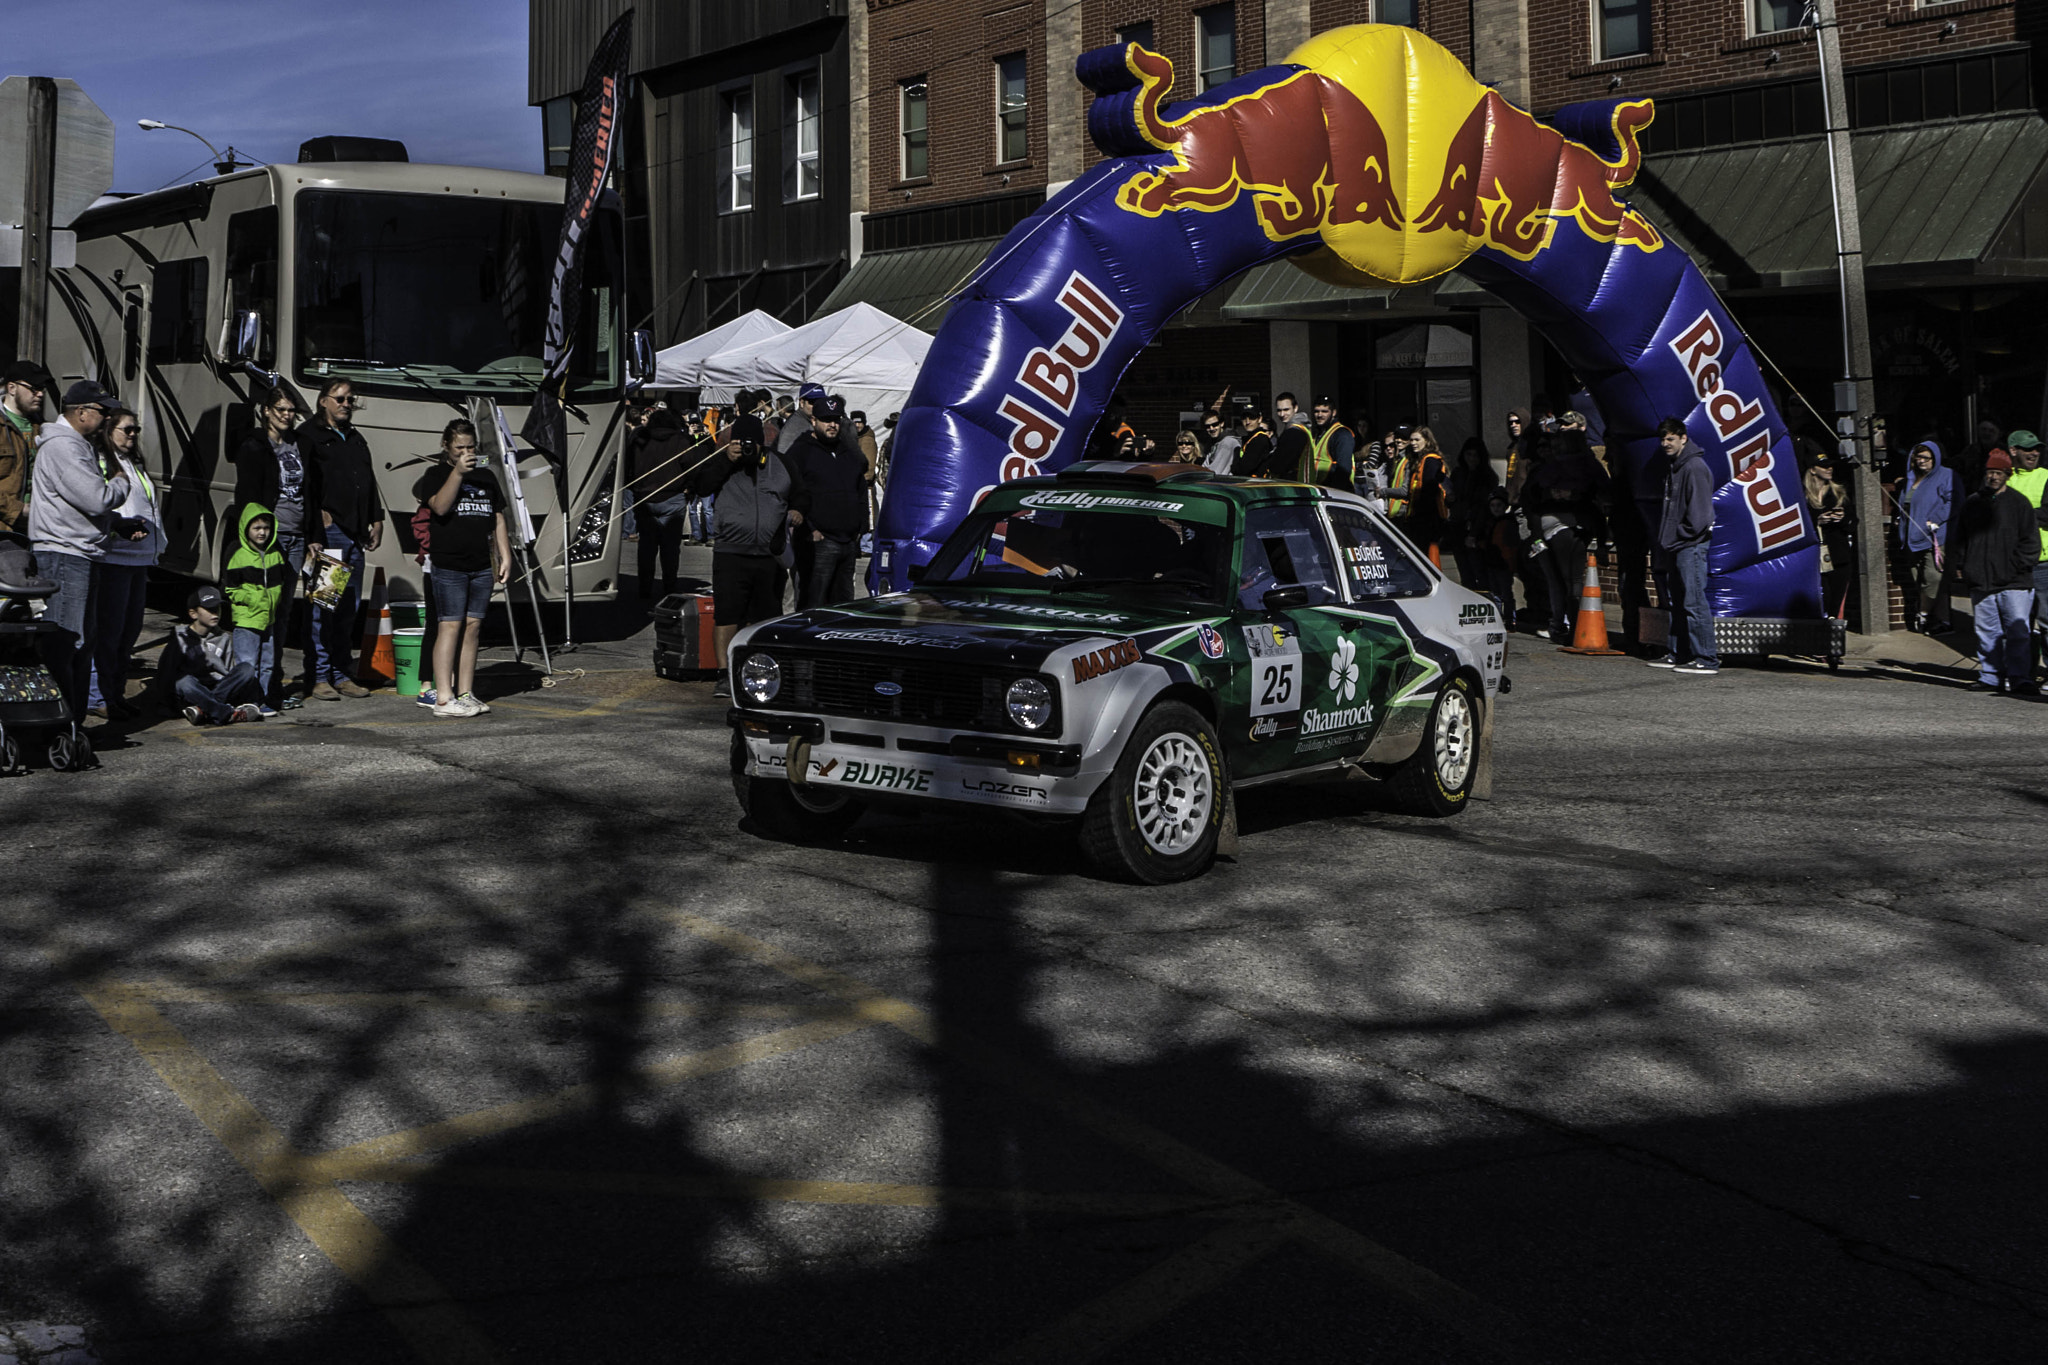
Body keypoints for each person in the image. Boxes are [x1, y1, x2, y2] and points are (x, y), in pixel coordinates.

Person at [28, 380, 131, 721]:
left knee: (82, 642)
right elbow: (95, 498)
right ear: (82, 412)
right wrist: (120, 481)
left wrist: (115, 522)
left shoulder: (75, 445)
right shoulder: (63, 447)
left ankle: (72, 723)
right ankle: (59, 723)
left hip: (79, 553)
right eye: (103, 412)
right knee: (67, 642)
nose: (106, 419)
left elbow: (84, 505)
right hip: (64, 554)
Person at [703, 404, 808, 697]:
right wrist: (727, 459)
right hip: (731, 552)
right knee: (727, 615)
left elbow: (800, 491)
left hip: (769, 555)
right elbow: (701, 485)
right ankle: (724, 674)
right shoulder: (722, 462)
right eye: (741, 442)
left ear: (762, 441)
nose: (747, 448)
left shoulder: (781, 462)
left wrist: (798, 509)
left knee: (765, 615)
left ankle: (761, 671)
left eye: (752, 442)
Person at [413, 418, 511, 718]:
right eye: (459, 448)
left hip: (480, 563)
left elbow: (497, 517)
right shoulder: (436, 473)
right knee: (449, 625)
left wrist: (505, 555)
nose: (465, 452)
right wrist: (457, 472)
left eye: (470, 447)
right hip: (449, 564)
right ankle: (443, 697)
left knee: (473, 627)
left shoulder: (487, 476)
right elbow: (440, 507)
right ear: (446, 446)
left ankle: (466, 692)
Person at [230, 385, 318, 701]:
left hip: (298, 537)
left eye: (291, 410)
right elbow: (247, 497)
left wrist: (314, 537)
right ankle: (254, 684)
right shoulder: (254, 446)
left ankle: (273, 682)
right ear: (266, 411)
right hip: (270, 538)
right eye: (280, 409)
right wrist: (255, 537)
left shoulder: (303, 445)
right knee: (261, 611)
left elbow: (313, 493)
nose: (286, 415)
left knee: (282, 612)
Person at [297, 379, 381, 699]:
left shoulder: (356, 438)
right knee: (323, 607)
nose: (346, 404)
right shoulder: (311, 436)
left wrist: (376, 519)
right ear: (323, 402)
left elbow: (368, 481)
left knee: (348, 609)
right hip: (330, 533)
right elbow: (305, 484)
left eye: (350, 400)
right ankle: (319, 675)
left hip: (355, 534)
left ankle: (342, 673)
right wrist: (317, 520)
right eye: (340, 398)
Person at [88, 405, 163, 719]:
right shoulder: (103, 462)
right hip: (115, 557)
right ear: (109, 430)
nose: (132, 436)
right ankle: (97, 696)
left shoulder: (134, 463)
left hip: (139, 559)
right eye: (126, 430)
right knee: (109, 631)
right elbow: (99, 505)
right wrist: (120, 526)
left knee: (129, 632)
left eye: (136, 430)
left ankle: (115, 694)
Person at [1955, 450, 2040, 694]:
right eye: (1990, 472)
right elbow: (1961, 539)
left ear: (2007, 475)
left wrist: (2017, 566)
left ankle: (2020, 677)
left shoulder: (2019, 503)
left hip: (2015, 581)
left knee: (2017, 632)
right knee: (1986, 631)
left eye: (1998, 473)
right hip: (1981, 580)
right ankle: (1990, 676)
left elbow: (2031, 542)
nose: (1993, 477)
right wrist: (1964, 566)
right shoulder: (1972, 502)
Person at [1649, 418, 1717, 676]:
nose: (1665, 444)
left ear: (1683, 438)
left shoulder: (1694, 467)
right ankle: (1679, 652)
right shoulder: (1675, 466)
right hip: (1677, 545)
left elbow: (1701, 515)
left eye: (1671, 439)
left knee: (1694, 601)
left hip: (1690, 545)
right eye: (1663, 439)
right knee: (1678, 601)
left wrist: (1682, 534)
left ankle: (1706, 658)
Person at [785, 397, 868, 607]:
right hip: (819, 541)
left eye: (836, 420)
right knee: (814, 602)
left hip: (847, 541)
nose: (832, 425)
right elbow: (791, 492)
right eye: (826, 419)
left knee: (843, 605)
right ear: (814, 421)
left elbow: (859, 489)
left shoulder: (847, 451)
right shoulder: (801, 451)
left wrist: (861, 526)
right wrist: (810, 528)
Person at [221, 503, 290, 717]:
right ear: (246, 529)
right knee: (247, 664)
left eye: (266, 528)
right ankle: (246, 699)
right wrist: (253, 599)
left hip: (268, 618)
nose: (262, 532)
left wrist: (272, 602)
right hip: (247, 619)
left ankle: (264, 699)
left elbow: (280, 584)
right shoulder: (237, 554)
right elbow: (230, 589)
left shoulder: (275, 554)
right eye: (257, 528)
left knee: (267, 663)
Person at [158, 585, 262, 725]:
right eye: (209, 609)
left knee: (246, 669)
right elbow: (166, 673)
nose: (216, 613)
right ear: (193, 613)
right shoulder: (180, 640)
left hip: (216, 687)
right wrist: (165, 704)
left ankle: (204, 710)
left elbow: (227, 672)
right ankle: (224, 713)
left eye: (218, 608)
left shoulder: (223, 637)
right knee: (184, 681)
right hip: (192, 690)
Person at [625, 405, 694, 601]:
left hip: (644, 497)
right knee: (670, 548)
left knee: (647, 545)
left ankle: (644, 587)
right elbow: (691, 466)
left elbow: (628, 466)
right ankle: (669, 586)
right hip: (673, 497)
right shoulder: (680, 440)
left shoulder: (639, 439)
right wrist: (689, 487)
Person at [1894, 441, 1954, 633]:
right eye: (1918, 457)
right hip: (1911, 537)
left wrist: (1935, 520)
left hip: (1935, 536)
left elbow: (1953, 501)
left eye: (1926, 458)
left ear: (1935, 458)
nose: (1922, 462)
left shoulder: (1946, 476)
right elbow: (1905, 505)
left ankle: (1923, 614)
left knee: (1933, 577)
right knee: (1917, 579)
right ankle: (1937, 620)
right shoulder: (1910, 479)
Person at [2002, 430, 2048, 663]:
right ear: (2013, 451)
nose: (2034, 453)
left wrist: (2018, 515)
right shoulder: (2003, 478)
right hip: (2013, 561)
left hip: (2043, 561)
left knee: (2047, 619)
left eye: (2037, 448)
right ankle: (2022, 672)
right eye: (2028, 449)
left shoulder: (2046, 476)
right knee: (2017, 621)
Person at [0, 359, 51, 535]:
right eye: (34, 388)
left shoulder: (43, 428)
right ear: (12, 388)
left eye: (42, 388)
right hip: (5, 529)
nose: (40, 394)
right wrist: (19, 510)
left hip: (38, 528)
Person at [1389, 425, 1451, 561]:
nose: (1413, 443)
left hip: (1427, 520)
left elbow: (1429, 490)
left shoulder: (1430, 460)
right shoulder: (1419, 460)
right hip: (1420, 518)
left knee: (1427, 558)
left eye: (1417, 440)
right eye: (1411, 440)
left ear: (1427, 441)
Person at [1803, 453, 1852, 618]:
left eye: (1831, 466)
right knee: (1820, 601)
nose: (1829, 469)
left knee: (1835, 603)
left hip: (1838, 555)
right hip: (1813, 556)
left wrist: (1842, 518)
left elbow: (1853, 523)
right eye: (1824, 466)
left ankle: (1832, 636)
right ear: (1813, 470)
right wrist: (1817, 521)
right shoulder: (1802, 496)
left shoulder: (1839, 493)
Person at [1447, 438, 1499, 590]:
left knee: (1480, 572)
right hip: (1458, 525)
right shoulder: (1458, 473)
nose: (1471, 459)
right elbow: (1451, 500)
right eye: (1468, 454)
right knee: (1465, 572)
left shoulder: (1487, 477)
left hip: (1476, 528)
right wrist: (1449, 499)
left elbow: (1483, 507)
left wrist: (1474, 534)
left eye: (1475, 455)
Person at [1299, 396, 1353, 489]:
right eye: (1316, 411)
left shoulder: (1342, 434)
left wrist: (1336, 490)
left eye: (1324, 411)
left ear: (1334, 413)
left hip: (1336, 492)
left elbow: (1344, 469)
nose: (1319, 415)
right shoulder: (1318, 433)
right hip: (1320, 489)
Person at [1231, 406, 1276, 478]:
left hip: (1256, 484)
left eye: (1252, 417)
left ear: (1259, 419)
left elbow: (1242, 469)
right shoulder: (1250, 438)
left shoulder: (1260, 439)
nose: (1248, 422)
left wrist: (1236, 452)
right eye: (1244, 418)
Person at [1198, 410, 1239, 476]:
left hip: (1224, 483)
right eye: (1208, 426)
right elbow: (1205, 465)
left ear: (1222, 423)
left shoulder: (1228, 442)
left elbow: (1216, 471)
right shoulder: (1214, 442)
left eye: (1214, 425)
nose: (1211, 428)